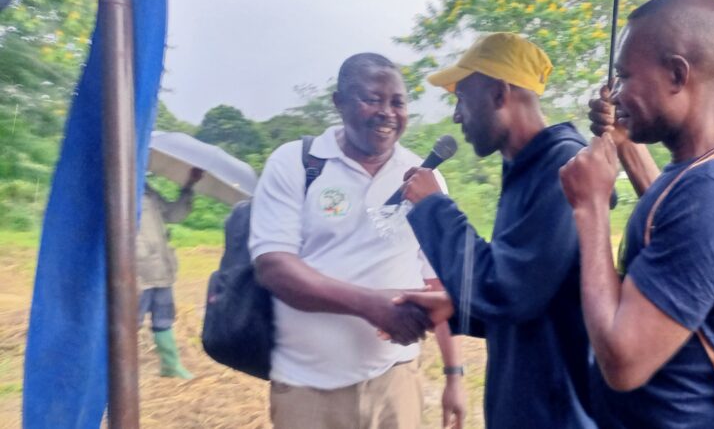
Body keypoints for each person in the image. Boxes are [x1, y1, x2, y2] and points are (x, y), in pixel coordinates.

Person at [559, 0, 714, 428]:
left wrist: (590, 207)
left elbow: (623, 364)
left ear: (677, 75)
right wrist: (625, 146)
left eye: (625, 77)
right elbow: (675, 229)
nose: (617, 94)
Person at [248, 53, 465, 429]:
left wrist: (454, 376)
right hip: (307, 388)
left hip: (396, 380)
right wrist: (372, 306)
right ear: (339, 103)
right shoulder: (297, 163)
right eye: (372, 99)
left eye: (397, 102)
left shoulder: (426, 179)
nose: (387, 112)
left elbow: (436, 283)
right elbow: (274, 268)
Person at [395, 33, 597, 428]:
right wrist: (456, 310)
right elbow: (535, 300)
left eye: (462, 98)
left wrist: (436, 207)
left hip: (555, 415)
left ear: (500, 93)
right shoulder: (525, 168)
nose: (456, 116)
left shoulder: (564, 168)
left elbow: (506, 292)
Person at [136, 167, 203, 379]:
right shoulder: (114, 190)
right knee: (129, 322)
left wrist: (188, 187)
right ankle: (112, 371)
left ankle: (170, 365)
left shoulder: (146, 190)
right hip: (136, 273)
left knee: (164, 318)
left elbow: (174, 215)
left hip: (162, 269)